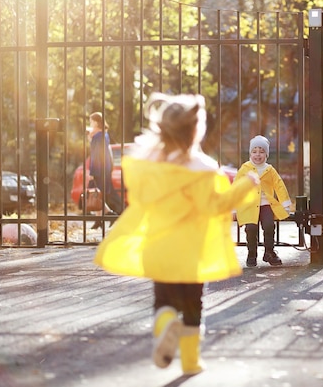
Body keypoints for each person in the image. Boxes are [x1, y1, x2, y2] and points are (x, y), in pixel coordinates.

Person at [93, 92, 258, 375]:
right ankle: (191, 362)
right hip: (191, 251)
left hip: (156, 248)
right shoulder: (202, 169)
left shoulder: (148, 167)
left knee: (163, 300)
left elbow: (139, 201)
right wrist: (246, 185)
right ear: (195, 131)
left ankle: (166, 322)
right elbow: (215, 206)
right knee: (194, 304)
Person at [235, 135, 292, 267]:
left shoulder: (270, 170)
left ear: (266, 154)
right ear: (250, 153)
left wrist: (285, 204)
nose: (257, 155)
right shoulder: (245, 168)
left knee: (269, 225)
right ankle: (252, 254)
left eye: (261, 152)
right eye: (254, 152)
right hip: (249, 205)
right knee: (251, 228)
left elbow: (279, 185)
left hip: (266, 204)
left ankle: (269, 252)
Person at [87, 112, 123, 228]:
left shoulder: (98, 136)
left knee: (97, 194)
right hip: (104, 168)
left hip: (99, 170)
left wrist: (92, 172)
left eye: (91, 121)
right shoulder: (102, 135)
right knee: (98, 194)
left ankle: (110, 214)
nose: (90, 123)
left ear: (96, 122)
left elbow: (96, 155)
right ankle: (99, 220)